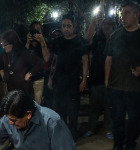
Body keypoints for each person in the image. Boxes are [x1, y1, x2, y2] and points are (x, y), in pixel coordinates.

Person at [105, 1, 140, 150]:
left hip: (136, 87)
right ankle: (117, 145)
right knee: (117, 117)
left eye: (127, 13)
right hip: (116, 85)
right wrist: (107, 80)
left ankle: (131, 146)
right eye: (122, 13)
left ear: (137, 15)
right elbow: (108, 58)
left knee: (134, 118)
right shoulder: (116, 34)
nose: (122, 16)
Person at [0, 29, 43, 150]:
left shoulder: (24, 53)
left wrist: (29, 74)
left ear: (13, 42)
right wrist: (4, 75)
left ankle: (30, 144)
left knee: (27, 118)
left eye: (5, 44)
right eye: (2, 44)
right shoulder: (4, 54)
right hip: (12, 91)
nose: (3, 46)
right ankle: (12, 142)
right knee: (12, 118)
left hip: (24, 91)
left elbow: (39, 62)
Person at [48, 12, 89, 142]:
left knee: (73, 110)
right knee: (60, 110)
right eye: (64, 26)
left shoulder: (80, 41)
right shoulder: (58, 41)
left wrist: (84, 79)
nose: (66, 28)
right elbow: (54, 61)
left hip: (73, 81)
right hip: (59, 81)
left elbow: (85, 61)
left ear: (74, 26)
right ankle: (62, 136)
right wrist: (50, 77)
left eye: (68, 26)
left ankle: (72, 137)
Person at [83, 17, 115, 139]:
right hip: (96, 78)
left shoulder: (116, 40)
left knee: (109, 106)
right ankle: (91, 128)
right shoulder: (98, 39)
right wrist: (93, 22)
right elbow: (86, 40)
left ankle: (109, 130)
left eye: (109, 24)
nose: (106, 26)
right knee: (94, 106)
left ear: (113, 26)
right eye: (104, 24)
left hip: (112, 79)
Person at [25, 21, 51, 105]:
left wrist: (42, 42)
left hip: (39, 77)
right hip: (27, 78)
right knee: (27, 102)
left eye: (38, 30)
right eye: (33, 30)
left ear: (41, 31)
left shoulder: (44, 43)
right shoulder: (26, 43)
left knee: (37, 103)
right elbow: (23, 59)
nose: (36, 32)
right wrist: (28, 42)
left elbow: (47, 59)